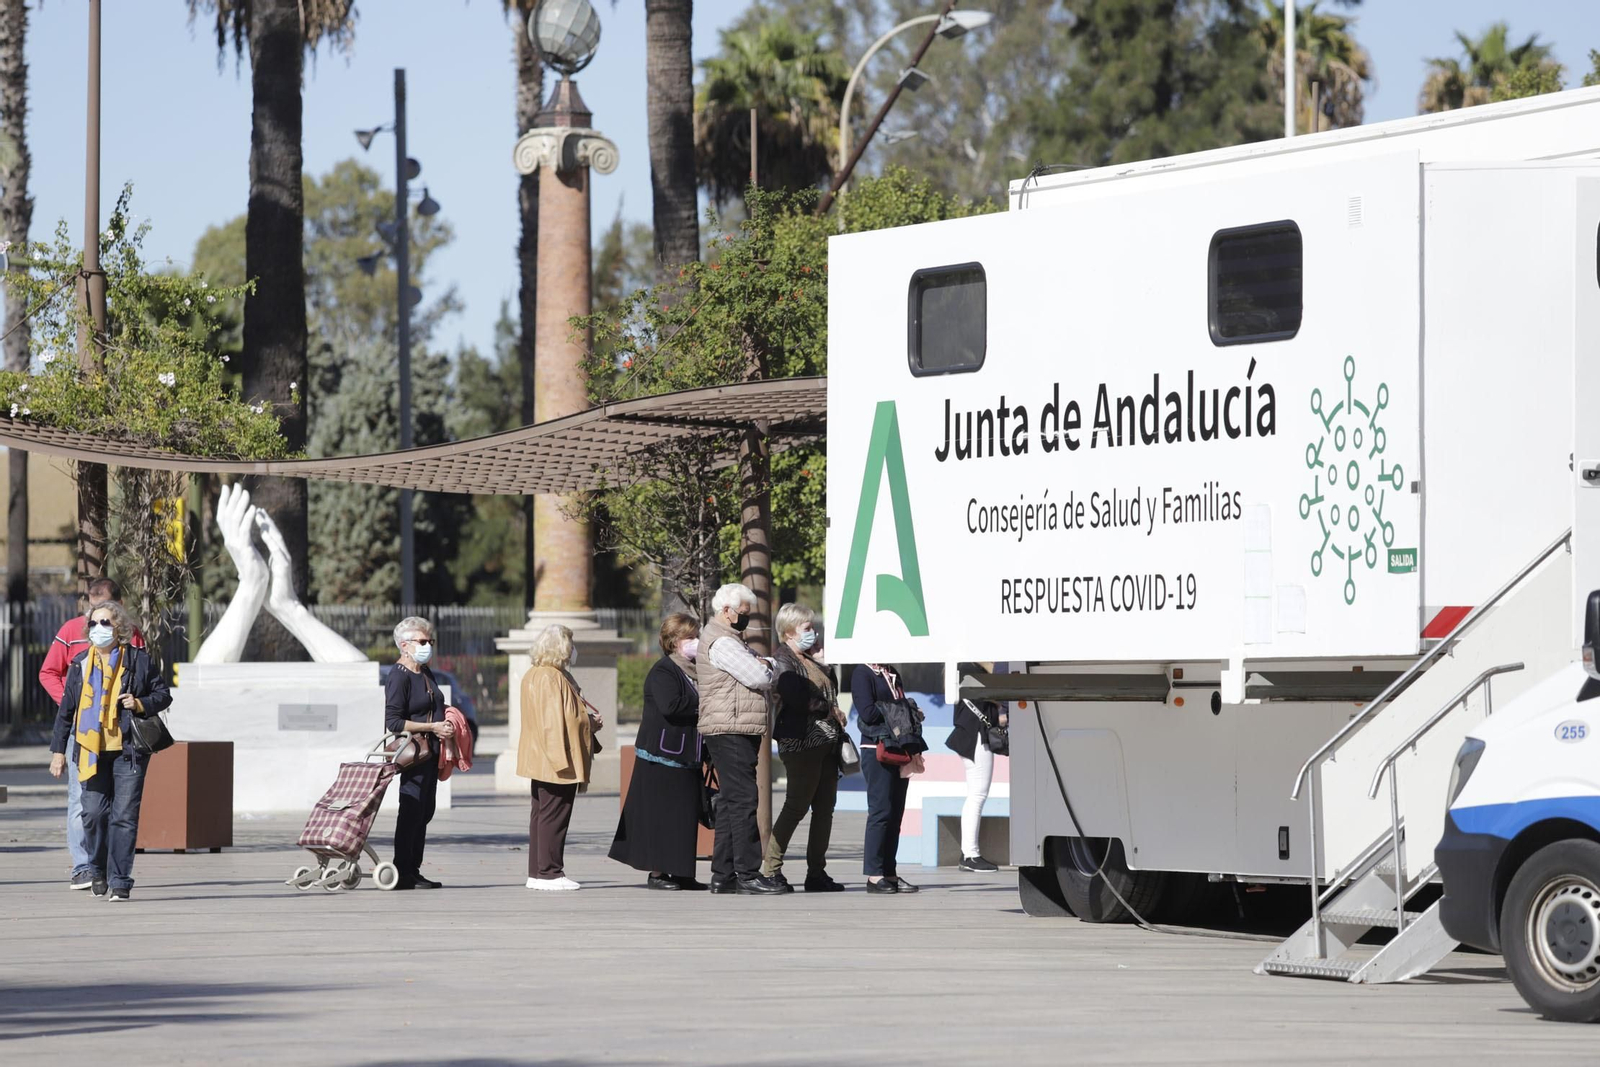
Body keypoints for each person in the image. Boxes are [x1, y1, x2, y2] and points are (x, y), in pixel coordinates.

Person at [46, 600, 170, 901]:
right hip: (90, 750)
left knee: (124, 817)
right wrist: (58, 752)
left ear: (120, 628)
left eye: (106, 623)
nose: (99, 629)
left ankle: (120, 881)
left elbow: (162, 694)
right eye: (94, 623)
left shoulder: (138, 660)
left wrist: (139, 703)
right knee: (92, 813)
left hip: (128, 751)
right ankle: (97, 869)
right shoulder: (79, 665)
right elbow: (67, 712)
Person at [40, 577, 145, 892]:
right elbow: (49, 672)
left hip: (120, 735)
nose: (97, 617)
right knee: (81, 799)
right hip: (83, 732)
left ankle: (109, 869)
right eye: (91, 606)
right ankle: (83, 867)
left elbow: (142, 677)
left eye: (104, 608)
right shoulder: (72, 631)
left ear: (119, 607)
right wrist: (72, 706)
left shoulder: (131, 635)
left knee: (116, 805)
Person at [698, 582, 785, 895]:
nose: (746, 618)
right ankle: (747, 873)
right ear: (726, 611)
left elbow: (765, 667)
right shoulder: (723, 642)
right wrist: (768, 665)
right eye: (743, 613)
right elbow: (759, 675)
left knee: (731, 802)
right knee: (745, 799)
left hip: (734, 725)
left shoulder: (731, 638)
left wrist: (767, 664)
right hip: (730, 726)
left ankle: (723, 875)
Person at [609, 613, 706, 891]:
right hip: (663, 754)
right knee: (661, 815)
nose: (695, 642)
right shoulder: (664, 670)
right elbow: (670, 706)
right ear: (674, 642)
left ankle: (683, 872)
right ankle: (659, 873)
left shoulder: (695, 670)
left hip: (688, 755)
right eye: (689, 637)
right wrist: (705, 704)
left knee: (684, 816)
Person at [760, 604, 845, 892]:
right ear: (788, 633)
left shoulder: (809, 659)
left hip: (827, 743)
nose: (814, 633)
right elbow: (797, 697)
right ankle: (770, 869)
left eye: (813, 627)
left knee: (824, 809)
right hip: (801, 742)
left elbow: (827, 691)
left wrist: (824, 664)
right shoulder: (783, 660)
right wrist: (828, 710)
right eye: (807, 629)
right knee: (796, 806)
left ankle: (816, 873)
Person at [519, 624, 600, 890]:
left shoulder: (538, 674)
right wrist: (588, 723)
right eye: (570, 643)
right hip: (556, 756)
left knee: (542, 815)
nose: (573, 649)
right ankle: (550, 873)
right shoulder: (550, 677)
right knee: (554, 815)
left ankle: (538, 872)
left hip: (544, 756)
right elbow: (554, 722)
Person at [384, 616, 453, 890]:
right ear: (404, 644)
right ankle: (402, 870)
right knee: (411, 810)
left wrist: (448, 721)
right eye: (423, 641)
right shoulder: (398, 676)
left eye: (430, 641)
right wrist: (432, 726)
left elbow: (437, 703)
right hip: (414, 754)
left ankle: (414, 868)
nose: (428, 646)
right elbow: (394, 722)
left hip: (432, 753)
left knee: (425, 811)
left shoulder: (425, 672)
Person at [851, 663, 919, 894]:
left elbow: (895, 708)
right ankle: (874, 874)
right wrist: (901, 708)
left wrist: (907, 710)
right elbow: (868, 712)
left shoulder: (892, 673)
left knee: (895, 814)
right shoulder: (863, 672)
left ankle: (890, 872)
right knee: (880, 811)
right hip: (876, 747)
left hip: (899, 747)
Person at [949, 665, 1006, 873]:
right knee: (977, 796)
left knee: (975, 795)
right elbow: (990, 695)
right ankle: (970, 854)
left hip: (971, 735)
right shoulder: (970, 669)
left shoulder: (963, 669)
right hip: (976, 737)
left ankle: (969, 853)